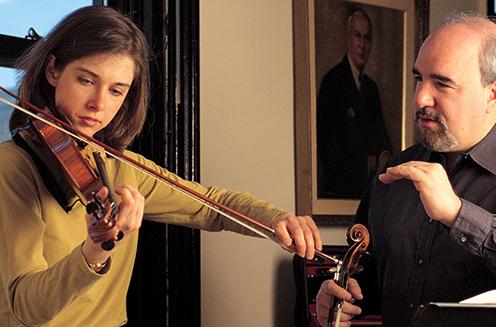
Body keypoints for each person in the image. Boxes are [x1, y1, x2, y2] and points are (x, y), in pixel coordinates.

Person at [0, 6, 323, 326]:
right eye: (86, 80)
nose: (98, 104)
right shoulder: (12, 166)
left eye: (116, 90)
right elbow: (27, 309)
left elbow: (210, 206)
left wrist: (278, 219)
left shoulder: (117, 164)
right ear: (53, 70)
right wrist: (95, 249)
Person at [315, 12, 496, 327]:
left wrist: (458, 214)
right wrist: (342, 298)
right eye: (419, 77)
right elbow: (371, 280)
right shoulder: (396, 171)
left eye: (442, 83)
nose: (420, 97)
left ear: (493, 93)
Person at [317, 9, 392, 199]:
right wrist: (366, 163)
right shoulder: (332, 82)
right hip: (340, 188)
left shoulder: (371, 88)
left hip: (370, 189)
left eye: (367, 38)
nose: (362, 45)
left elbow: (381, 137)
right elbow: (328, 145)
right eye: (357, 36)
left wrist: (383, 157)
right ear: (348, 38)